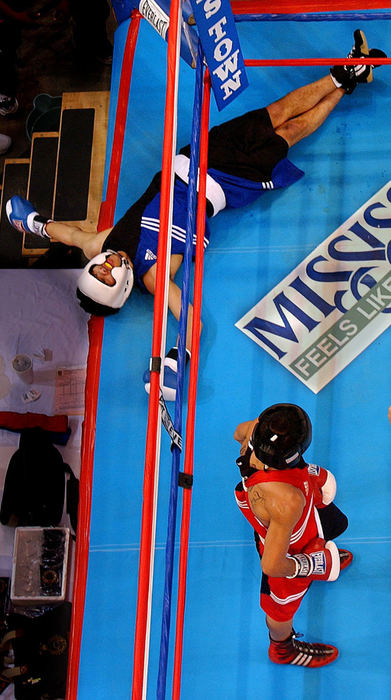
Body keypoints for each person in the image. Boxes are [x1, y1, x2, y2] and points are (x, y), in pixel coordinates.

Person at [6, 30, 387, 400]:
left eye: (97, 269)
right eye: (106, 277)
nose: (105, 266)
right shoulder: (153, 277)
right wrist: (176, 361)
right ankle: (351, 76)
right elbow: (190, 321)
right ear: (119, 289)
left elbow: (68, 234)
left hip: (192, 158)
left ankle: (348, 70)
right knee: (292, 133)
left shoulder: (101, 244)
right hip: (225, 183)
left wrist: (32, 222)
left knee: (276, 112)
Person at [234, 403, 352, 667]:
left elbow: (237, 433)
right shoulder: (286, 501)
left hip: (287, 521)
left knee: (329, 521)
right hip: (286, 551)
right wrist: (312, 565)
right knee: (281, 606)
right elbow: (273, 565)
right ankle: (282, 648)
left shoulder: (254, 430)